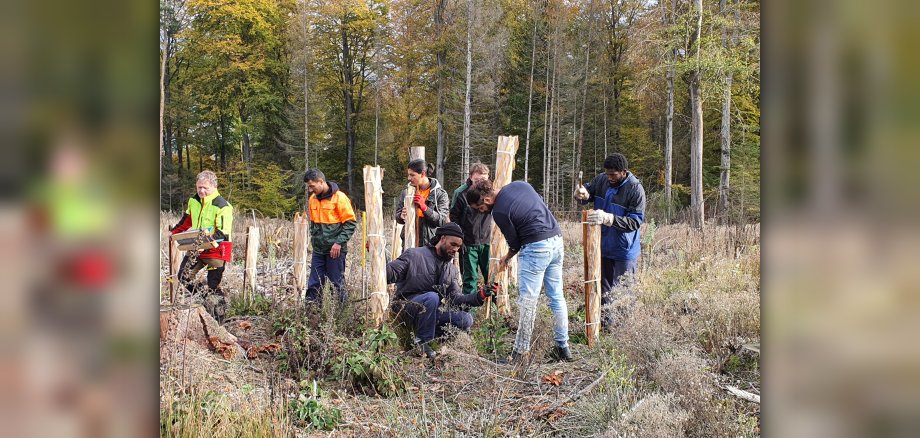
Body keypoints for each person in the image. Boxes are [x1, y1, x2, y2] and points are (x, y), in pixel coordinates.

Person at [466, 179, 573, 362]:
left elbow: (515, 243)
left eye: (478, 208)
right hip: (556, 239)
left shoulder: (499, 211)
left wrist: (506, 258)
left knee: (528, 301)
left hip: (535, 247)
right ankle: (563, 347)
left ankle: (520, 353)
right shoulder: (520, 185)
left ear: (486, 200)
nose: (479, 212)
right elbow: (538, 205)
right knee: (556, 296)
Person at [386, 223, 499, 359]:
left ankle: (429, 334)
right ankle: (423, 343)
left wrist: (480, 295)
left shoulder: (451, 270)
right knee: (432, 297)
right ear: (443, 238)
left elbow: (455, 299)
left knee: (466, 319)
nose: (455, 249)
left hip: (430, 313)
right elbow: (390, 273)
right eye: (453, 244)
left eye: (458, 247)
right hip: (405, 308)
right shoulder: (415, 255)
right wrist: (380, 256)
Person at [574, 153, 646, 329]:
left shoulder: (635, 190)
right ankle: (606, 326)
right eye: (607, 174)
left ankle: (624, 329)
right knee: (604, 288)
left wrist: (610, 219)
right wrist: (581, 194)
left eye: (613, 175)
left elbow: (635, 221)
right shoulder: (602, 180)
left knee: (624, 289)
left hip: (624, 250)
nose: (609, 178)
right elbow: (588, 193)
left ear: (624, 172)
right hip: (603, 245)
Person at [170, 170, 234, 321]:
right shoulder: (194, 201)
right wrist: (174, 232)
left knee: (213, 284)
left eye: (205, 188)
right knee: (184, 276)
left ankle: (219, 318)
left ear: (214, 186)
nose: (201, 191)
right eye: (199, 187)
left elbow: (222, 233)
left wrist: (204, 245)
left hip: (217, 249)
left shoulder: (223, 206)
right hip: (196, 246)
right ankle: (204, 298)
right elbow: (187, 220)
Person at [304, 169, 357, 305]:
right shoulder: (312, 200)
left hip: (336, 251)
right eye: (308, 187)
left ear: (321, 182)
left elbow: (350, 223)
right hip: (318, 250)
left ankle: (342, 314)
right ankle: (311, 314)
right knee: (314, 284)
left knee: (336, 284)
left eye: (312, 186)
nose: (310, 190)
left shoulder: (340, 198)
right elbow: (314, 224)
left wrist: (338, 243)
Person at [449, 163, 493, 295]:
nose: (480, 183)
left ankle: (494, 306)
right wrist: (460, 239)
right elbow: (454, 217)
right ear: (470, 177)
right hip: (468, 242)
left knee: (491, 275)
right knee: (470, 278)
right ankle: (469, 308)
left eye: (484, 180)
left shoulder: (490, 191)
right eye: (477, 180)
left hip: (487, 241)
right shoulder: (461, 193)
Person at [394, 159, 449, 248]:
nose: (409, 178)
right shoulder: (406, 192)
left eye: (412, 175)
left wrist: (425, 208)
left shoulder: (440, 194)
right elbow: (397, 217)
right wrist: (401, 216)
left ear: (423, 174)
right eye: (408, 175)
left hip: (430, 244)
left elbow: (442, 220)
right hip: (408, 244)